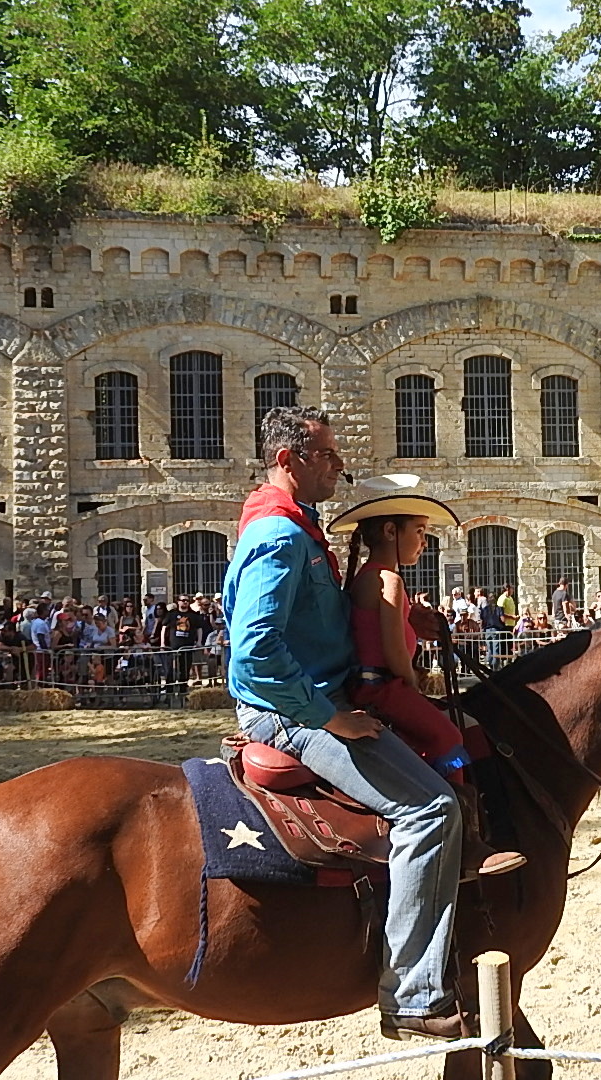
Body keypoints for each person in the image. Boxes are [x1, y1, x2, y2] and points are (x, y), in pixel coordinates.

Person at [224, 405, 470, 1041]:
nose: (339, 466)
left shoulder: (295, 529)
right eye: (328, 456)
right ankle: (413, 992)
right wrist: (331, 717)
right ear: (289, 461)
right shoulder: (279, 537)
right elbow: (255, 652)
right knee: (431, 809)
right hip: (292, 712)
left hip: (312, 696)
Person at [334, 491, 526, 879]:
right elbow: (392, 651)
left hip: (370, 686)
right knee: (450, 739)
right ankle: (464, 842)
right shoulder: (388, 580)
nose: (424, 541)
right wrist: (411, 684)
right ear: (390, 530)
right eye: (419, 531)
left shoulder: (366, 578)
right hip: (385, 687)